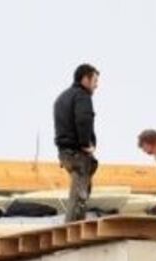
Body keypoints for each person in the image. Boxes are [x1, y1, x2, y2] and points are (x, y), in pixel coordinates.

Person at [53, 64, 100, 223]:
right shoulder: (82, 96)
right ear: (85, 79)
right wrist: (86, 144)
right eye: (94, 80)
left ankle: (73, 226)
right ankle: (72, 230)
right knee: (80, 196)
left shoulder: (62, 97)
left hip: (64, 152)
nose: (96, 85)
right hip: (77, 152)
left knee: (78, 192)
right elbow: (83, 120)